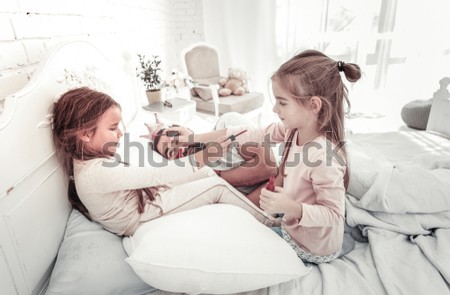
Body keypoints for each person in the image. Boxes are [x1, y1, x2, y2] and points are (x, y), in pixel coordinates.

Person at [172, 50, 361, 263]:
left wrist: (290, 207)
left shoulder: (325, 156)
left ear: (313, 105)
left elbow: (334, 216)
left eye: (282, 102)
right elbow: (244, 134)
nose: (274, 108)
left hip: (308, 244)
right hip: (292, 222)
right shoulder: (293, 130)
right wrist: (192, 137)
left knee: (226, 244)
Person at [51, 87, 278, 237]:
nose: (120, 134)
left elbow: (149, 175)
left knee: (208, 175)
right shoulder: (93, 173)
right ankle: (270, 227)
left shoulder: (93, 160)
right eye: (112, 128)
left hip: (146, 202)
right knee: (215, 185)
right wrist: (204, 156)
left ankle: (249, 210)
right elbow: (154, 174)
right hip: (139, 218)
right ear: (85, 134)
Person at [143, 112, 278, 206]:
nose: (179, 145)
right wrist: (210, 175)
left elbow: (268, 166)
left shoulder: (226, 124)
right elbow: (249, 207)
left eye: (175, 135)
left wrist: (195, 139)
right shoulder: (200, 184)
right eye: (170, 152)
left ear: (186, 128)